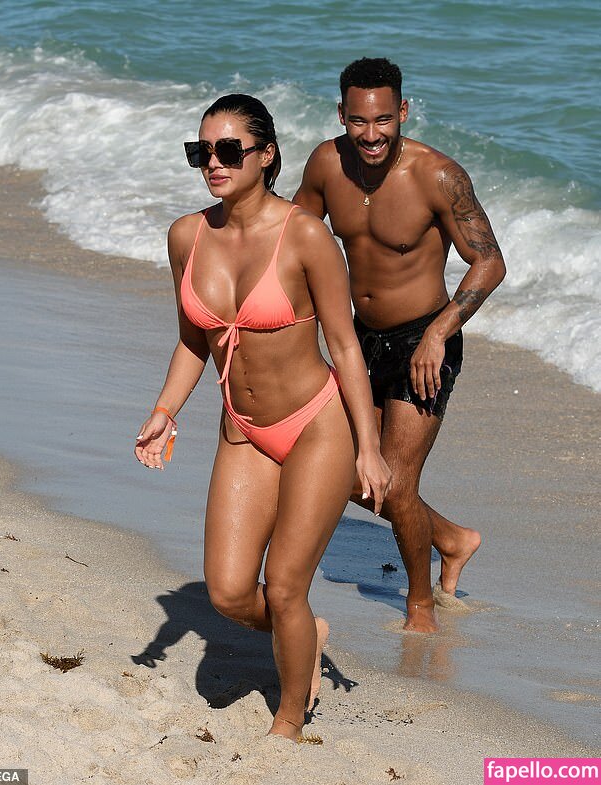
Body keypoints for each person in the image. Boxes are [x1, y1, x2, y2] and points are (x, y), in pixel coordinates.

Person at [134, 94, 391, 741]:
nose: (213, 163)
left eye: (228, 150)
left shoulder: (305, 235)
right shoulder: (187, 236)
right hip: (242, 429)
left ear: (266, 154)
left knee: (283, 585)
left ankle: (288, 723)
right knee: (226, 593)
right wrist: (164, 410)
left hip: (315, 424)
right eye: (201, 152)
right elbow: (193, 341)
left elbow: (346, 346)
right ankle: (304, 634)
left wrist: (369, 447)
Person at [294, 57, 506, 633]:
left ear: (403, 112)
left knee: (397, 483)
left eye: (383, 120)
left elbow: (489, 262)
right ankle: (452, 539)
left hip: (423, 342)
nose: (371, 134)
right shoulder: (325, 164)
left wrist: (439, 333)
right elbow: (293, 240)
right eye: (359, 121)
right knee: (348, 475)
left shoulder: (438, 176)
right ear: (342, 114)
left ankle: (419, 604)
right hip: (358, 338)